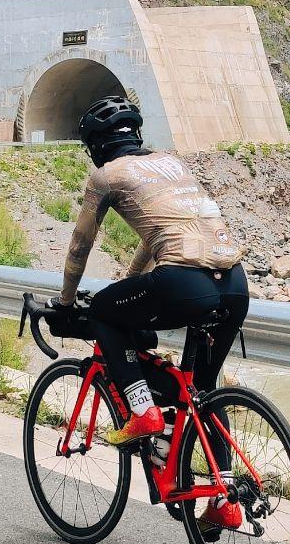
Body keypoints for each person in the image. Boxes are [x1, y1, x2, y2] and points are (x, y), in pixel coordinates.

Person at [52, 96, 248, 516]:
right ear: (136, 134)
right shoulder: (171, 164)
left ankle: (142, 411)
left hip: (184, 280)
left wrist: (67, 301)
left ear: (95, 145)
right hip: (234, 283)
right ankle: (224, 499)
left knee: (103, 311)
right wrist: (131, 282)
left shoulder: (106, 175)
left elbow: (81, 245)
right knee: (203, 392)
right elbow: (156, 232)